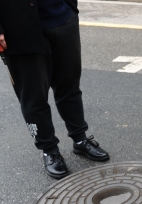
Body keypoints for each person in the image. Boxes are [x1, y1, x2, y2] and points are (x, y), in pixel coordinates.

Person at [0, 0, 109, 180]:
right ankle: (49, 150)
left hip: (63, 18)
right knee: (33, 96)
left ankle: (80, 139)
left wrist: (70, 8)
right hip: (17, 28)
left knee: (70, 86)